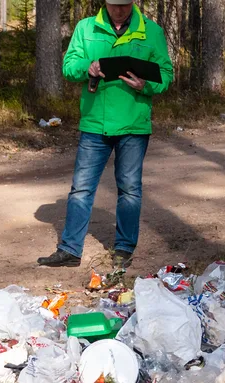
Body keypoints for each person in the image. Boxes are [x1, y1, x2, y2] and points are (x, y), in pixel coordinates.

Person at [36, 0, 174, 269]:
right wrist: (87, 67)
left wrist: (146, 85)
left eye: (124, 5)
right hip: (94, 123)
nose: (120, 10)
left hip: (133, 124)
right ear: (105, 3)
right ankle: (70, 249)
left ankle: (123, 249)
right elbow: (69, 67)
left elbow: (166, 74)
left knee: (130, 189)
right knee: (81, 189)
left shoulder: (151, 31)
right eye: (114, 5)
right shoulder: (86, 28)